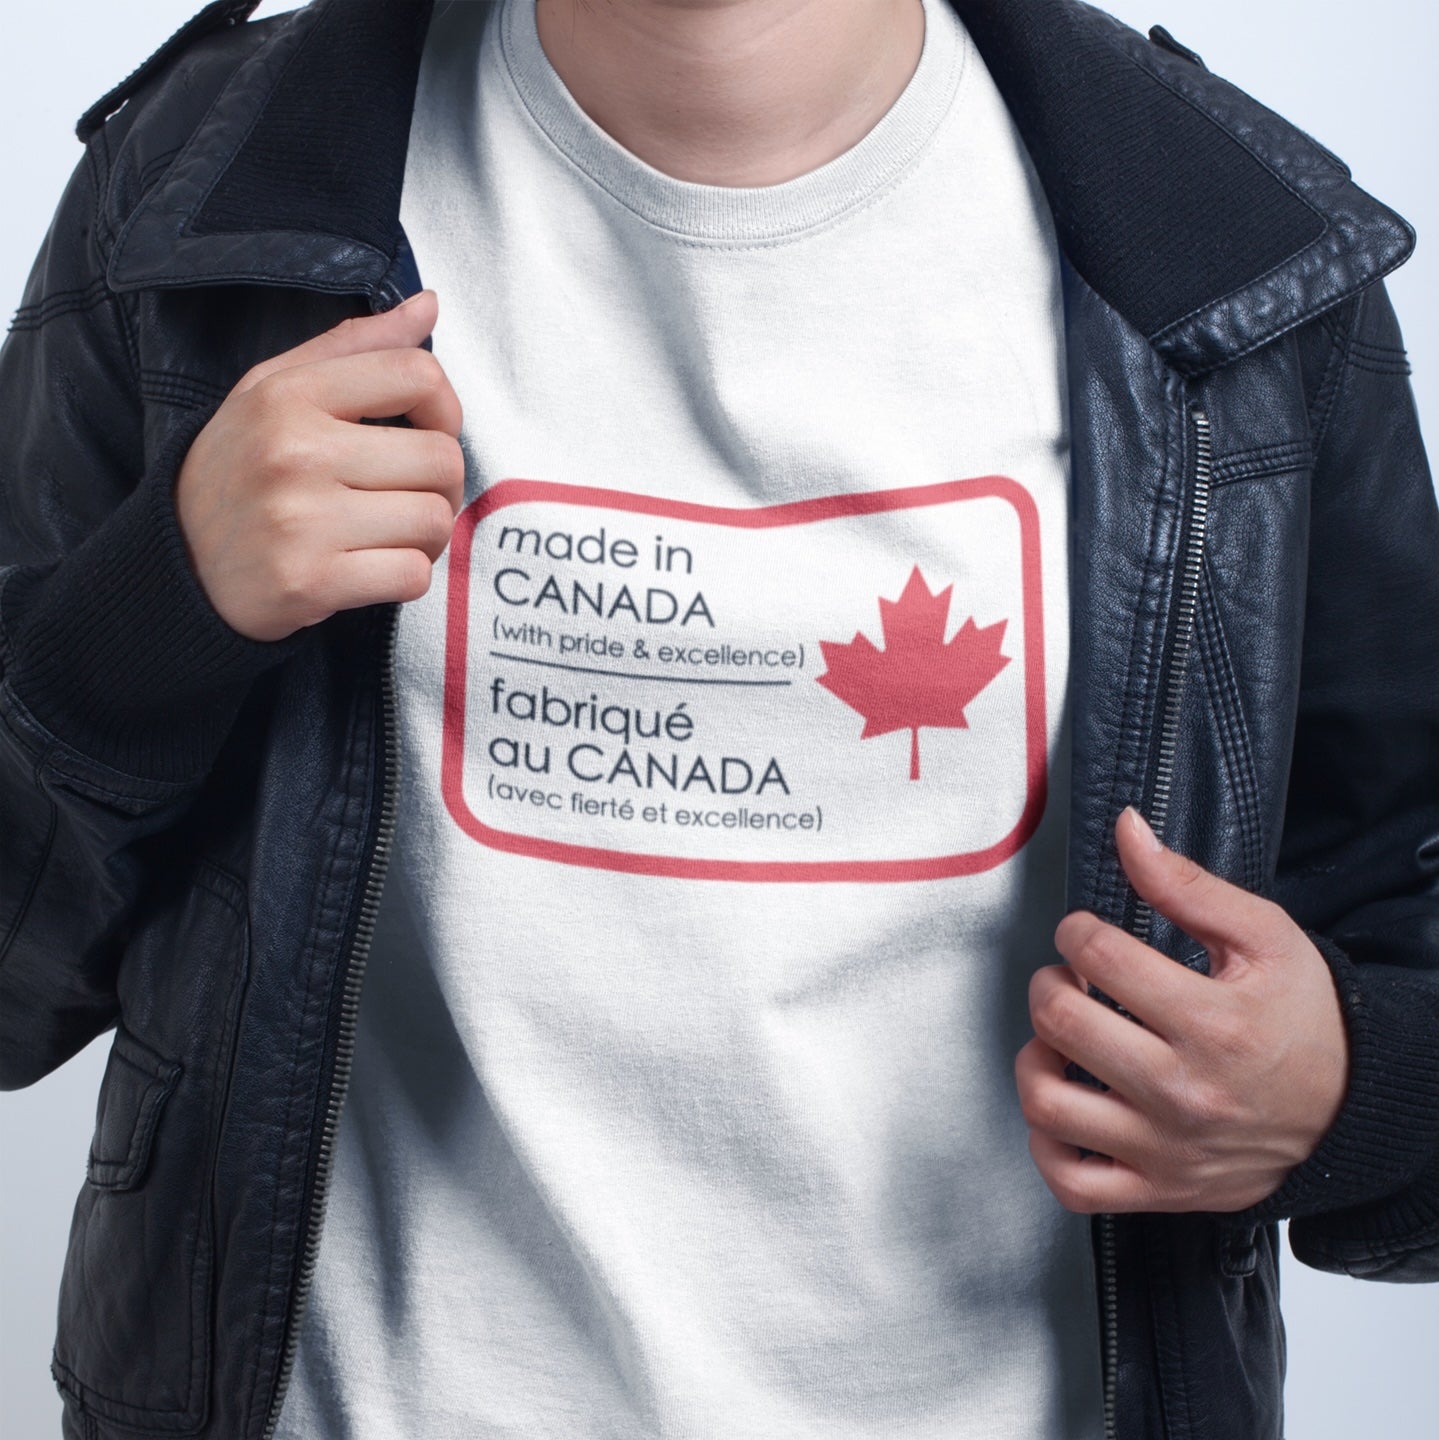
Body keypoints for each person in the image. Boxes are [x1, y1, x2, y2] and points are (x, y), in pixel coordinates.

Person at [0, 0, 1434, 1436]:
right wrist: (153, 612)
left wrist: (1347, 1092)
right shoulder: (201, 188)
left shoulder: (1239, 257)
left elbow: (1406, 953)